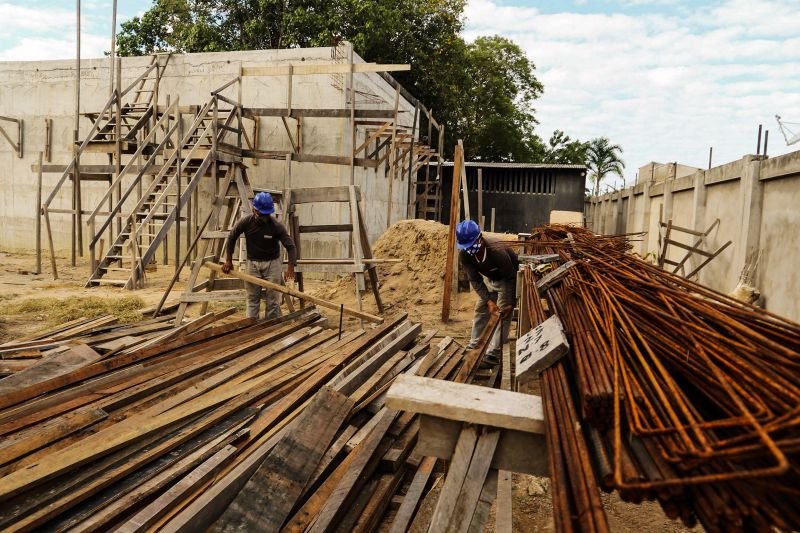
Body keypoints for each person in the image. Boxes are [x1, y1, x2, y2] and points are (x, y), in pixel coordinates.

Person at [222, 192, 297, 320]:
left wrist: (290, 268)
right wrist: (228, 260)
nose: (264, 217)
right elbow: (231, 237)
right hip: (252, 264)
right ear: (254, 210)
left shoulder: (276, 226)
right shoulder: (245, 222)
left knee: (273, 299)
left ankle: (271, 326)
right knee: (252, 298)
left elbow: (291, 246)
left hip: (272, 264)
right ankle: (252, 325)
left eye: (266, 214)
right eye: (261, 214)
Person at [457, 219, 518, 366]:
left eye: (471, 245)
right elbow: (476, 281)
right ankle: (474, 345)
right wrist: (489, 301)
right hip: (490, 279)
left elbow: (511, 277)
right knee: (481, 308)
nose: (469, 249)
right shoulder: (465, 255)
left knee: (502, 313)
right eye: (467, 247)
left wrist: (510, 302)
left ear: (480, 238)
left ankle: (494, 352)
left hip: (508, 278)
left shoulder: (496, 251)